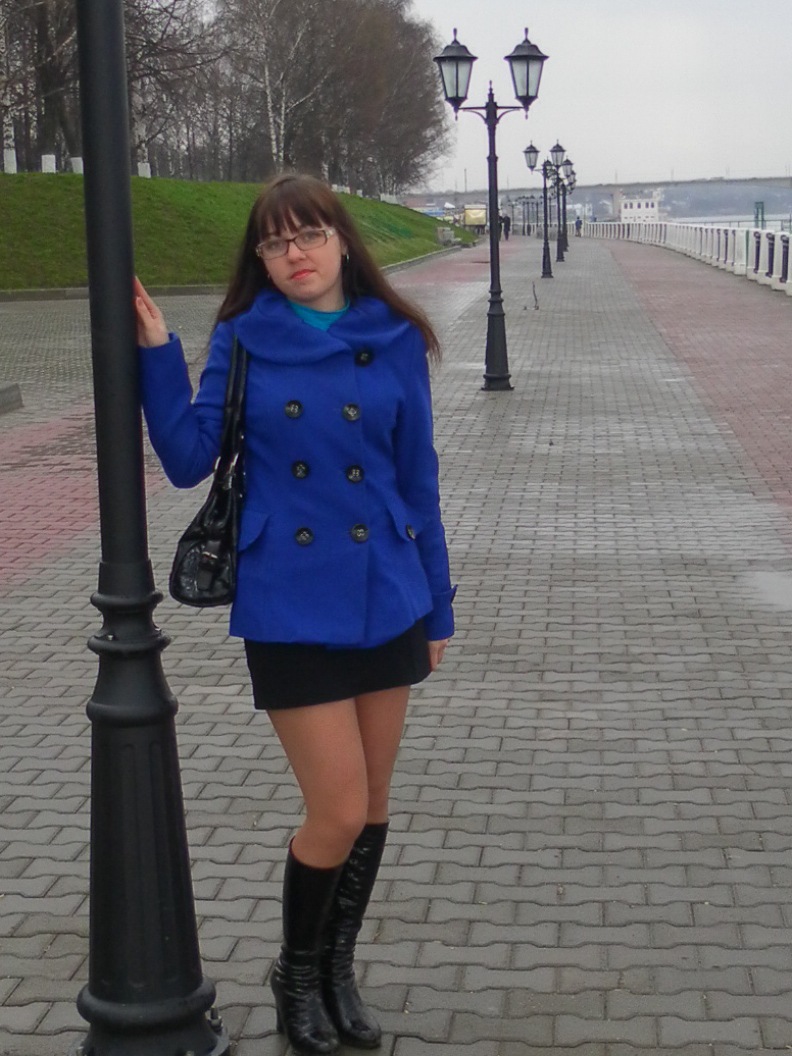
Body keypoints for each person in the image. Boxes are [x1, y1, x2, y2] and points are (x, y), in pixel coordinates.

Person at [134, 173, 455, 1056]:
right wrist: (157, 353)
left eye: (309, 233)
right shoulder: (244, 338)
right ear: (261, 259)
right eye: (276, 243)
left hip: (388, 593)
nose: (295, 254)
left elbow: (418, 480)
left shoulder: (394, 336)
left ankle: (336, 973)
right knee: (338, 809)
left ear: (343, 240)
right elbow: (189, 459)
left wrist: (439, 609)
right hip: (291, 600)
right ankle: (296, 976)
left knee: (373, 805)